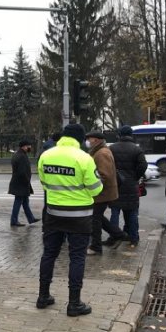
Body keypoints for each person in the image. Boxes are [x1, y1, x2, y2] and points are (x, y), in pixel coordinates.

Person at [37, 124, 102, 317]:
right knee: (77, 257)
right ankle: (74, 303)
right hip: (79, 217)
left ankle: (43, 296)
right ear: (80, 139)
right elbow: (96, 189)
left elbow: (44, 184)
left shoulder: (46, 155)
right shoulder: (84, 158)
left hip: (53, 214)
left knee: (49, 254)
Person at [85, 130, 128, 254]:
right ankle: (119, 234)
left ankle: (96, 247)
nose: (88, 141)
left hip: (102, 193)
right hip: (103, 192)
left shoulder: (101, 153)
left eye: (90, 139)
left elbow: (105, 175)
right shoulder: (98, 151)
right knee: (97, 217)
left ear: (96, 140)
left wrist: (93, 186)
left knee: (95, 219)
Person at [108, 126, 148, 248]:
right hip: (131, 185)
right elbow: (143, 165)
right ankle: (133, 239)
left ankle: (114, 237)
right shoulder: (136, 149)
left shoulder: (111, 148)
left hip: (116, 185)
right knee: (132, 213)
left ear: (119, 134)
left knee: (114, 212)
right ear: (131, 135)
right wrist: (135, 176)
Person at [9, 139, 40, 226]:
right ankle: (14, 221)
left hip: (19, 182)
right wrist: (27, 181)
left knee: (25, 202)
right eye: (28, 146)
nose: (30, 147)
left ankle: (31, 218)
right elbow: (22, 171)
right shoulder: (22, 156)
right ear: (24, 146)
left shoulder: (18, 154)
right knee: (18, 201)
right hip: (21, 183)